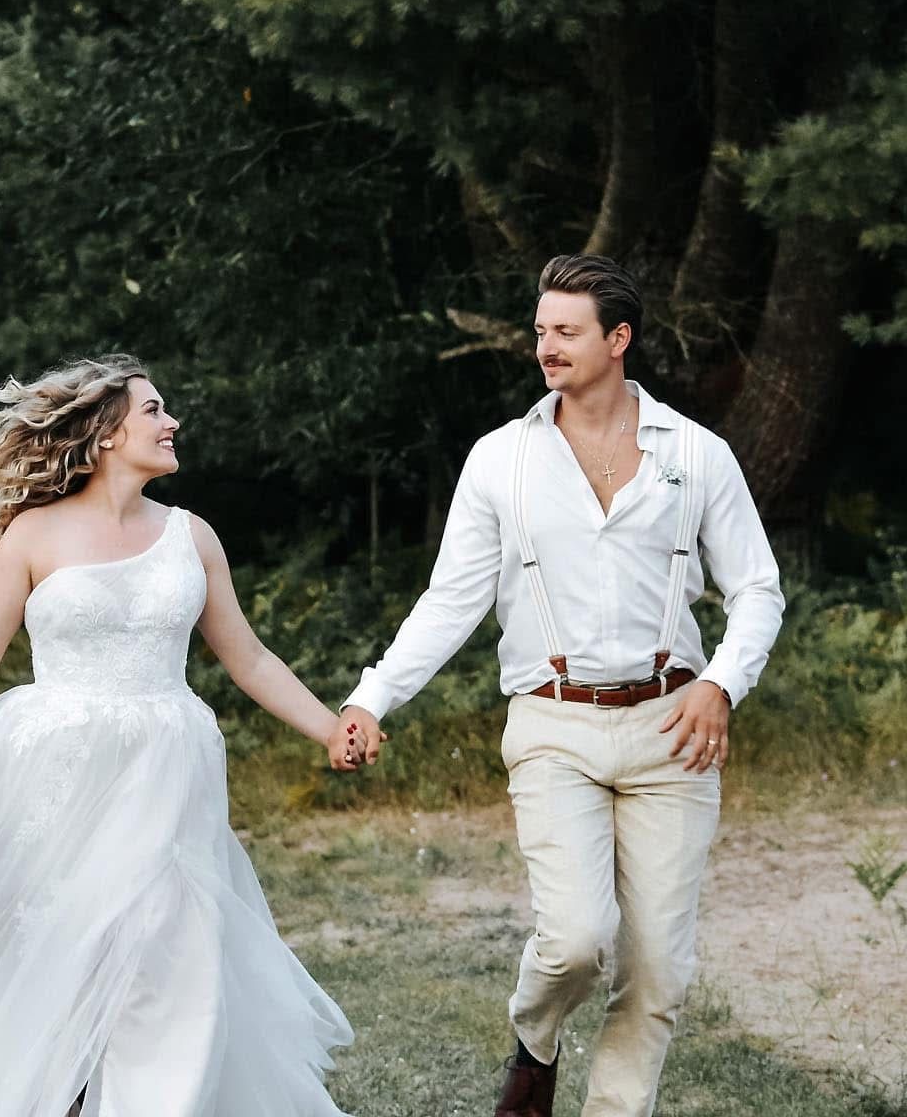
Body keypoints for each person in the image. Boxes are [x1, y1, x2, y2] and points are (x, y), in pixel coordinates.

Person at [0, 355, 359, 1117]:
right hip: (50, 766)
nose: (171, 421)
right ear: (106, 433)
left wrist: (328, 726)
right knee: (48, 947)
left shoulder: (193, 537)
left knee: (166, 948)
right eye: (153, 410)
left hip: (165, 766)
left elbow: (246, 655)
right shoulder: (33, 534)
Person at [328, 253, 785, 1117]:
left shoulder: (697, 452)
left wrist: (720, 682)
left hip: (671, 727)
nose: (546, 346)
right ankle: (534, 1042)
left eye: (565, 331)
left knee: (656, 972)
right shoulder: (500, 459)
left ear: (618, 339)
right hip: (550, 725)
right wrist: (370, 696)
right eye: (540, 330)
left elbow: (757, 590)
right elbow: (451, 599)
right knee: (575, 942)